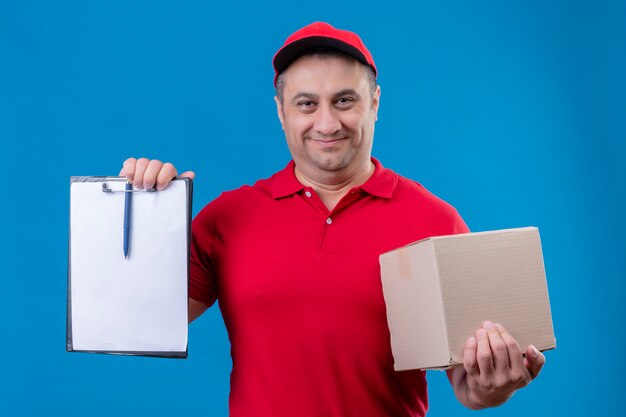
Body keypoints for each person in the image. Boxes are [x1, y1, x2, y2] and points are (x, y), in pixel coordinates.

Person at [120, 22, 545, 417]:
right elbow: (134, 322)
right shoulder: (228, 217)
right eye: (307, 103)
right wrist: (141, 214)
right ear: (281, 111)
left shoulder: (434, 221)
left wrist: (494, 386)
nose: (327, 123)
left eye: (345, 100)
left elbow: (469, 387)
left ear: (374, 103)